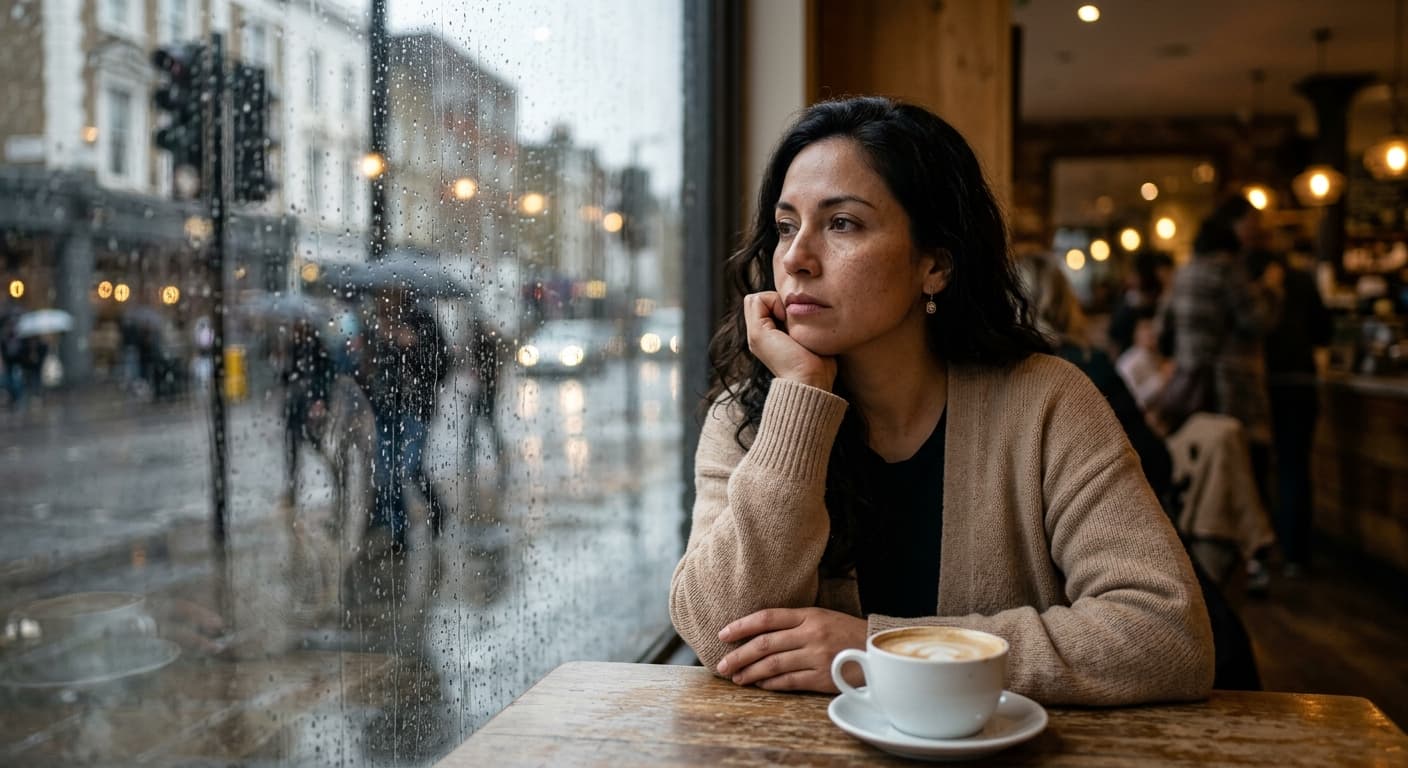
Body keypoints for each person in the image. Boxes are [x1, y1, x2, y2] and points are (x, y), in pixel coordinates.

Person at [669, 97, 1213, 706]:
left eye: (842, 223)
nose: (796, 259)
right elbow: (720, 632)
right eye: (787, 225)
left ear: (935, 265)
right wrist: (800, 397)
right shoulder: (747, 416)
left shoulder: (1046, 403)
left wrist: (881, 652)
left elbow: (1166, 636)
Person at [1162, 197, 1282, 592]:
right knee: (1248, 469)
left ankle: (1200, 558)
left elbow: (1164, 329)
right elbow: (1257, 320)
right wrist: (1272, 288)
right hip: (1231, 389)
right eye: (1252, 222)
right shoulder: (1229, 271)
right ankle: (1252, 559)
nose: (1257, 230)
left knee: (1203, 475)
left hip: (1190, 388)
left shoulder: (1185, 272)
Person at [1018, 253, 1171, 499]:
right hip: (1105, 513)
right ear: (1065, 302)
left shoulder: (988, 381)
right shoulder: (1089, 364)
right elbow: (1154, 461)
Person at [1249, 249, 1332, 576]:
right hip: (1297, 382)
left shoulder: (1243, 279)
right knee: (1293, 467)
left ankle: (1260, 555)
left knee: (1256, 470)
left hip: (1259, 384)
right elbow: (1324, 331)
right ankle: (1295, 555)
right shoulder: (1300, 280)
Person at [358, 288, 451, 550]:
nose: (384, 298)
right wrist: (372, 351)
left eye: (390, 292)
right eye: (381, 293)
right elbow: (366, 370)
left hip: (415, 407)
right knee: (387, 473)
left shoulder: (422, 320)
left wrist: (414, 345)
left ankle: (437, 508)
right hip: (384, 407)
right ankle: (397, 533)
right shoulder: (375, 323)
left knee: (410, 467)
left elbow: (442, 365)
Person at [282, 316, 336, 507]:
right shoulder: (293, 347)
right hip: (295, 406)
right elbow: (287, 377)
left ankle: (336, 477)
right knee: (292, 449)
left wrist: (320, 400)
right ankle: (292, 490)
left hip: (310, 405)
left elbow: (325, 375)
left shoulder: (317, 348)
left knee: (316, 446)